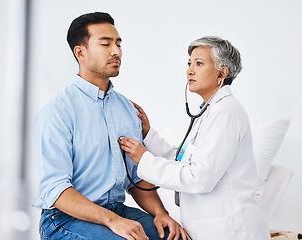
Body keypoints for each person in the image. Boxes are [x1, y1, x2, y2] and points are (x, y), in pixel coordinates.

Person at [32, 12, 190, 240]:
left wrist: (160, 213)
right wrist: (113, 221)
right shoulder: (57, 112)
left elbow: (136, 176)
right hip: (64, 218)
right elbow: (55, 190)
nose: (116, 51)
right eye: (105, 43)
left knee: (178, 237)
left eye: (118, 43)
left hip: (116, 210)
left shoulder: (127, 109)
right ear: (80, 53)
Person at [119, 36, 271, 239]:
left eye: (199, 63)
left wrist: (144, 159)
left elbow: (199, 178)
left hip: (233, 230)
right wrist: (148, 135)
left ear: (222, 73)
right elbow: (184, 161)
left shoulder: (225, 113)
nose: (190, 70)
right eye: (189, 63)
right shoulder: (210, 112)